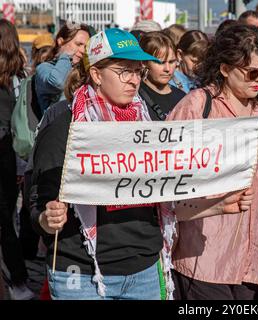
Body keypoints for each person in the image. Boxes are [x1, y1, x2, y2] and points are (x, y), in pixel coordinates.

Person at [30, 28, 165, 300]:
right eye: (123, 70)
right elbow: (37, 205)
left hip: (144, 269)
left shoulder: (150, 123)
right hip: (80, 274)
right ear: (96, 74)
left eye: (138, 71)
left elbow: (167, 190)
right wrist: (47, 218)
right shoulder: (63, 128)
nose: (134, 80)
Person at [165, 24, 258, 300]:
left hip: (253, 259)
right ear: (224, 68)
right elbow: (169, 180)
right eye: (252, 71)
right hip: (205, 257)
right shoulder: (196, 106)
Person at [0, 19, 34, 300]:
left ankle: (18, 280)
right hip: (11, 156)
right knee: (7, 219)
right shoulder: (19, 74)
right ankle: (18, 280)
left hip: (4, 152)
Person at [34, 23, 91, 114]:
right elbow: (58, 82)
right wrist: (65, 55)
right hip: (57, 126)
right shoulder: (44, 68)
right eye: (78, 44)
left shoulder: (84, 71)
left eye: (85, 47)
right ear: (60, 41)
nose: (82, 51)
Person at [138, 32, 186, 120]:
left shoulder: (182, 97)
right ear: (144, 62)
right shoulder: (135, 97)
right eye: (160, 62)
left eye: (171, 62)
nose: (167, 69)